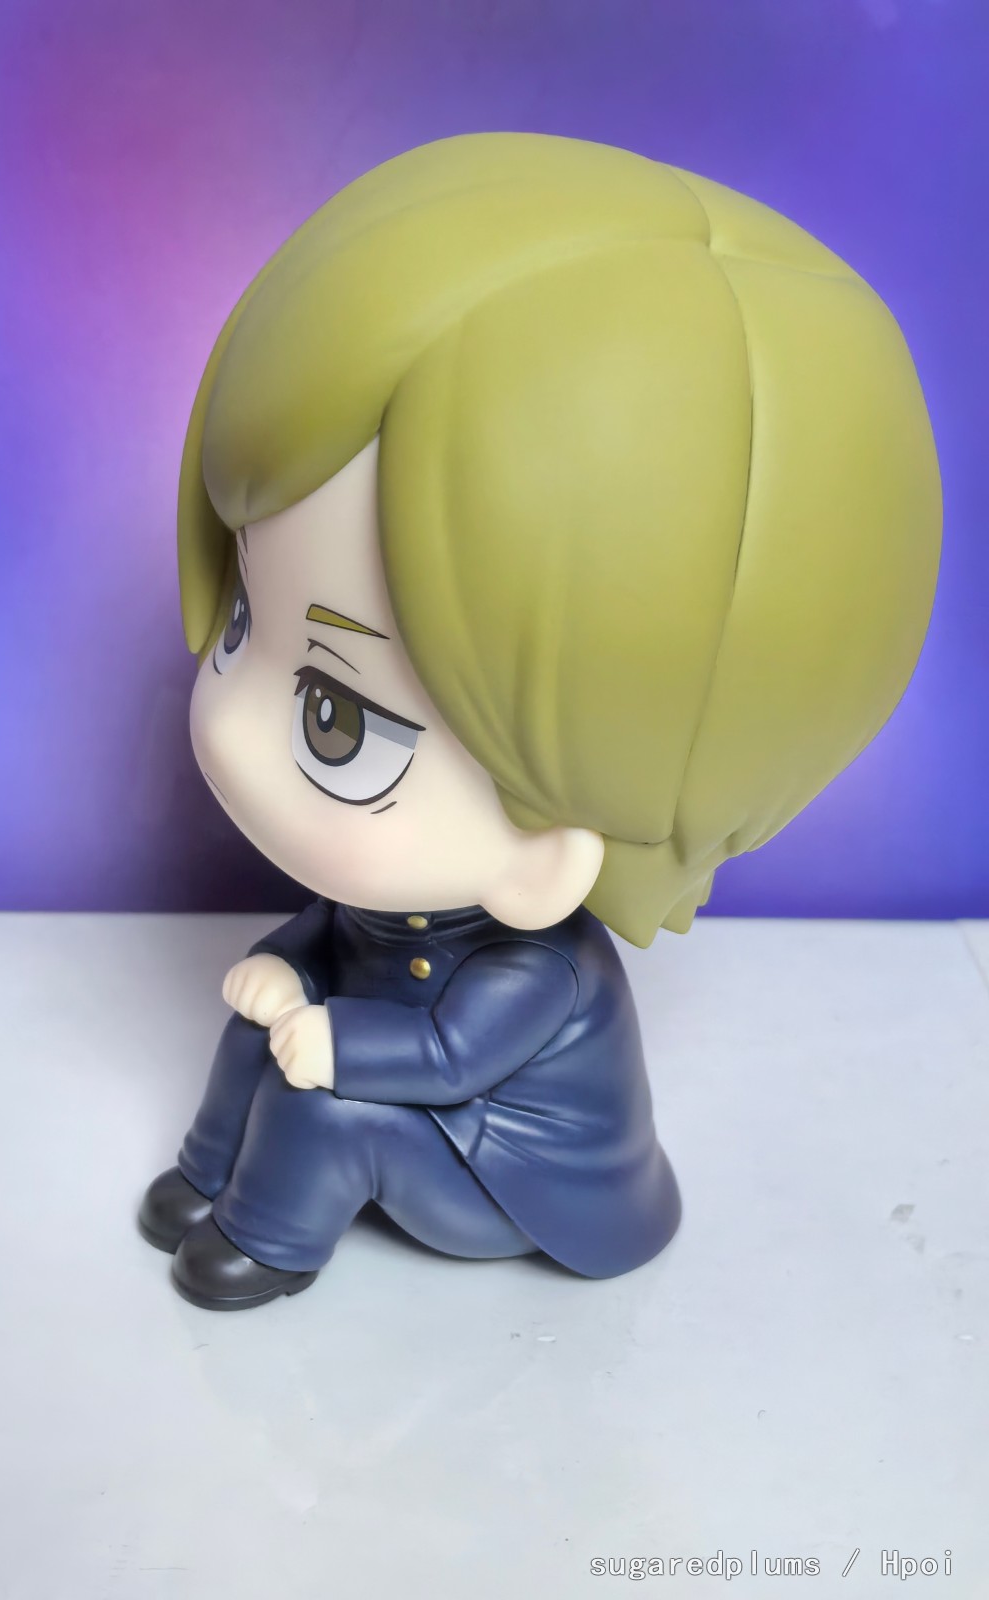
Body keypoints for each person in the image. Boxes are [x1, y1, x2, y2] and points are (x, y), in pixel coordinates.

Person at [139, 133, 941, 1311]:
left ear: (550, 857)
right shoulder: (391, 904)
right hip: (426, 1105)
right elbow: (329, 941)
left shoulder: (537, 971)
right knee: (261, 1032)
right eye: (241, 622)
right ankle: (207, 1172)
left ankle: (264, 1238)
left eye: (335, 720)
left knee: (328, 1112)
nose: (233, 732)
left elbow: (450, 1057)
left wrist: (336, 1044)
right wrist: (283, 973)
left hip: (502, 1172)